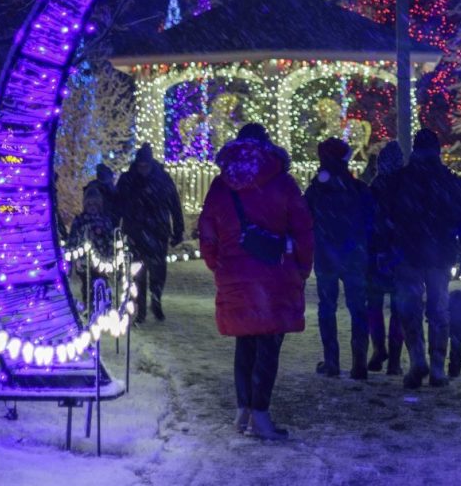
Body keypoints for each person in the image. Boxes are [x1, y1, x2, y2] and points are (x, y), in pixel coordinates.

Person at [199, 122, 314, 440]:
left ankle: (244, 411)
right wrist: (302, 267)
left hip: (235, 275)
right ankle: (260, 416)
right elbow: (303, 229)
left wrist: (218, 265)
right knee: (268, 345)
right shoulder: (282, 182)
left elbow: (207, 231)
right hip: (275, 274)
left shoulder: (221, 185)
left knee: (245, 342)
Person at [385, 128, 461, 389]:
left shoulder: (400, 181)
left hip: (408, 251)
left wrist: (387, 247)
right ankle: (437, 365)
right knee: (438, 309)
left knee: (409, 308)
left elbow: (387, 217)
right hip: (440, 252)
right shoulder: (450, 182)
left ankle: (417, 358)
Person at [304, 137, 374, 380]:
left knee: (327, 307)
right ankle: (359, 361)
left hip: (326, 255)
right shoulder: (358, 189)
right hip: (354, 254)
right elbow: (370, 221)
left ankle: (332, 361)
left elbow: (304, 221)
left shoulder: (316, 191)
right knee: (358, 308)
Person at [117, 143, 185, 321]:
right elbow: (118, 205)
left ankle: (156, 299)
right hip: (135, 231)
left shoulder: (162, 179)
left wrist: (178, 229)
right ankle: (140, 309)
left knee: (157, 269)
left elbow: (174, 204)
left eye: (145, 166)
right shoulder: (128, 179)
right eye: (141, 166)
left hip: (157, 230)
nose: (143, 169)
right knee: (138, 271)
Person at [366, 141, 405, 375]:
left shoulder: (374, 188)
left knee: (375, 305)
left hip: (376, 255)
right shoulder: (406, 188)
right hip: (399, 254)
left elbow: (369, 222)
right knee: (398, 308)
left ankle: (378, 349)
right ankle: (395, 358)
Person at [68, 184, 118, 304]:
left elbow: (111, 239)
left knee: (102, 284)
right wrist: (74, 256)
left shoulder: (105, 220)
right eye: (89, 204)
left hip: (102, 261)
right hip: (85, 263)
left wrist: (112, 253)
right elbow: (73, 239)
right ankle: (89, 307)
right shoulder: (80, 221)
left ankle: (103, 306)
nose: (92, 207)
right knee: (87, 287)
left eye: (95, 204)